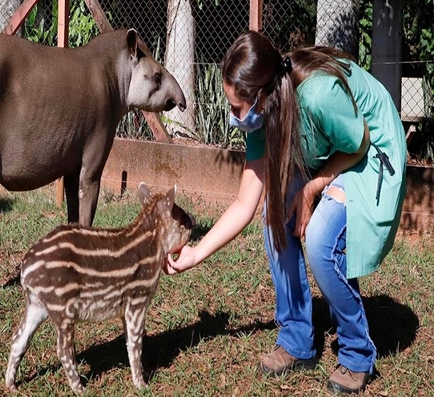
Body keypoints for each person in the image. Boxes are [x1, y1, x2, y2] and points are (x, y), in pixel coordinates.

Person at [164, 30, 407, 394]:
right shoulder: (266, 110)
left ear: (261, 94)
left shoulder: (318, 94)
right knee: (274, 213)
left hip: (371, 149)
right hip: (338, 148)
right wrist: (195, 253)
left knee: (322, 237)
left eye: (235, 108)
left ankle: (357, 353)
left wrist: (312, 187)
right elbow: (247, 202)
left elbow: (358, 143)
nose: (233, 117)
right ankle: (297, 339)